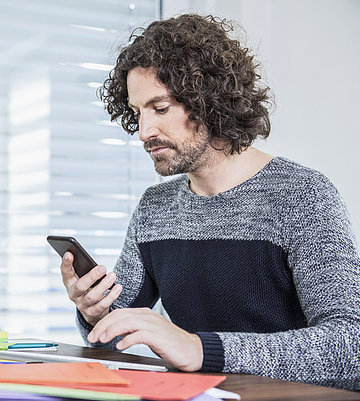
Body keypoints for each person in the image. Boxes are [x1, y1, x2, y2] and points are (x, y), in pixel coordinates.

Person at [60, 14, 360, 390]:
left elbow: (350, 344)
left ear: (209, 101)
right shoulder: (156, 208)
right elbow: (119, 331)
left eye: (160, 108)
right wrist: (93, 312)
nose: (143, 132)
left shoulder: (302, 196)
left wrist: (200, 348)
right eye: (137, 113)